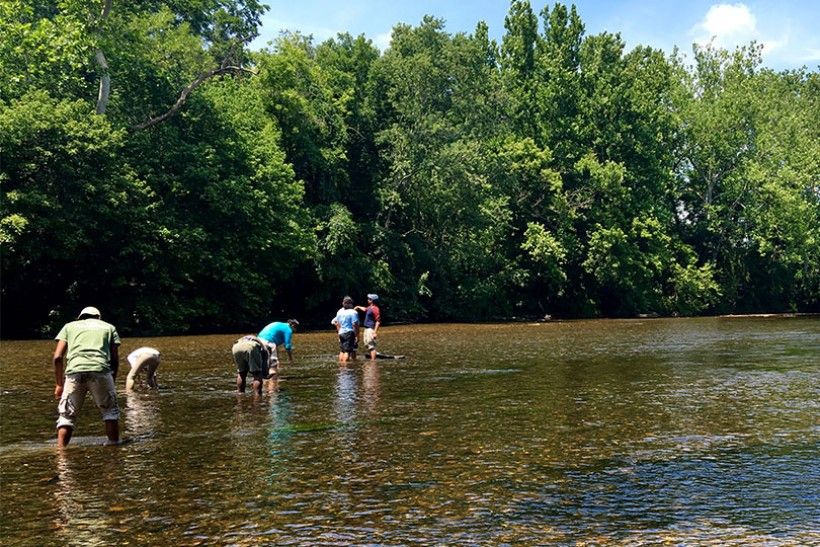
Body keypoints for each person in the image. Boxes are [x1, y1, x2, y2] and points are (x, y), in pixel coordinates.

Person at [52, 306, 121, 447]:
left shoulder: (69, 327)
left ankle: (61, 454)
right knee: (110, 413)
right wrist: (112, 379)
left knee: (66, 417)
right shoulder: (109, 327)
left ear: (80, 316)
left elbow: (58, 357)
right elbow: (114, 359)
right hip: (100, 371)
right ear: (98, 317)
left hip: (74, 372)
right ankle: (114, 448)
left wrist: (59, 384)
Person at [332, 296, 359, 362]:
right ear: (351, 304)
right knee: (347, 351)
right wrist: (357, 335)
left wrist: (339, 334)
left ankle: (341, 365)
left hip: (341, 333)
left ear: (343, 303)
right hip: (349, 333)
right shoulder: (353, 312)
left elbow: (337, 323)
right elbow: (355, 325)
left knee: (342, 351)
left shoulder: (339, 312)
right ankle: (345, 366)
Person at [354, 294, 381, 360]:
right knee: (367, 344)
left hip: (370, 329)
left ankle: (373, 361)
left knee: (371, 346)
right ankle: (373, 357)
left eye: (369, 299)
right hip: (366, 328)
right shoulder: (369, 307)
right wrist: (358, 307)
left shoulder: (375, 309)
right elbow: (364, 309)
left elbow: (378, 321)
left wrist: (375, 332)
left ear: (372, 301)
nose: (367, 300)